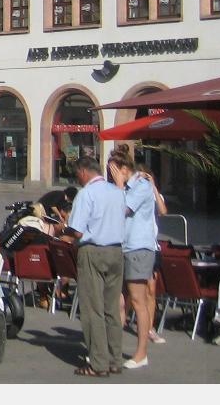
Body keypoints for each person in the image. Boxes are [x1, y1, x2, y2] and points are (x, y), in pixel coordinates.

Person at [55, 153, 125, 377]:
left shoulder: (86, 194)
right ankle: (115, 359)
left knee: (92, 308)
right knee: (111, 308)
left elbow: (77, 230)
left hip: (93, 251)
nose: (78, 180)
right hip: (116, 250)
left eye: (77, 175)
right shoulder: (117, 192)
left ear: (84, 172)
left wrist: (62, 231)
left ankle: (98, 363)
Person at [111, 152, 165, 369]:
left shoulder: (141, 186)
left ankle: (142, 353)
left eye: (114, 170)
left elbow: (122, 209)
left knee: (138, 299)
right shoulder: (125, 187)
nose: (112, 175)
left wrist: (119, 185)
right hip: (123, 246)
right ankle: (112, 350)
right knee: (119, 300)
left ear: (125, 169)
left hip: (139, 248)